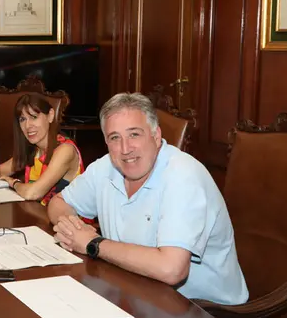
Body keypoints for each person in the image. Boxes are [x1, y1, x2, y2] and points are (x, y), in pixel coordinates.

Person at [49, 93, 248, 305]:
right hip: (135, 291)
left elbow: (171, 269)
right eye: (115, 138)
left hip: (204, 312)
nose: (125, 149)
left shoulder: (183, 176)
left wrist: (93, 243)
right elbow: (58, 203)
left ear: (155, 135)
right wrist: (72, 230)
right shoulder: (106, 166)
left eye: (134, 134)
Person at [0, 94, 83, 204]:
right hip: (39, 217)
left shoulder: (65, 150)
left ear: (50, 115)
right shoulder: (34, 150)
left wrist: (13, 183)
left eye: (34, 117)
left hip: (70, 223)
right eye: (22, 119)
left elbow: (33, 193)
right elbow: (1, 170)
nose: (28, 126)